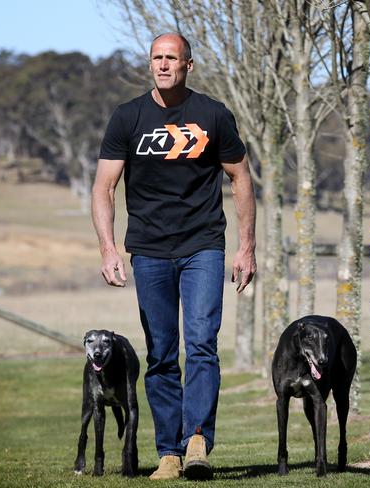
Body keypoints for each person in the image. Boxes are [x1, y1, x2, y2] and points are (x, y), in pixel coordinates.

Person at [91, 32, 256, 481]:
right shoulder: (127, 117)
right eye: (157, 58)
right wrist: (108, 248)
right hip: (149, 250)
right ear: (150, 65)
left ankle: (197, 437)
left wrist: (246, 246)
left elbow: (240, 177)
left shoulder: (213, 115)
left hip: (203, 245)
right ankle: (170, 452)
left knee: (201, 341)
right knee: (161, 352)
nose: (164, 65)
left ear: (188, 65)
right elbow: (103, 187)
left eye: (172, 58)